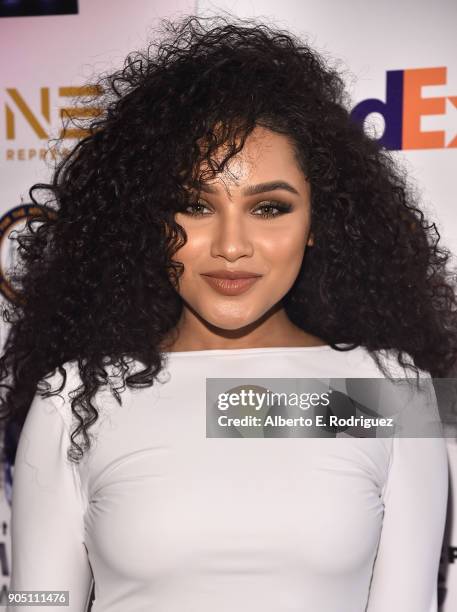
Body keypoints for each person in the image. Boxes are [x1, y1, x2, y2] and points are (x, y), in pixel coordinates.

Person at [2, 13, 456, 612]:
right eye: (194, 204)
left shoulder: (387, 395)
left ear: (318, 223)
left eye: (269, 208)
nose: (230, 245)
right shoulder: (75, 396)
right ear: (149, 218)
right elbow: (37, 602)